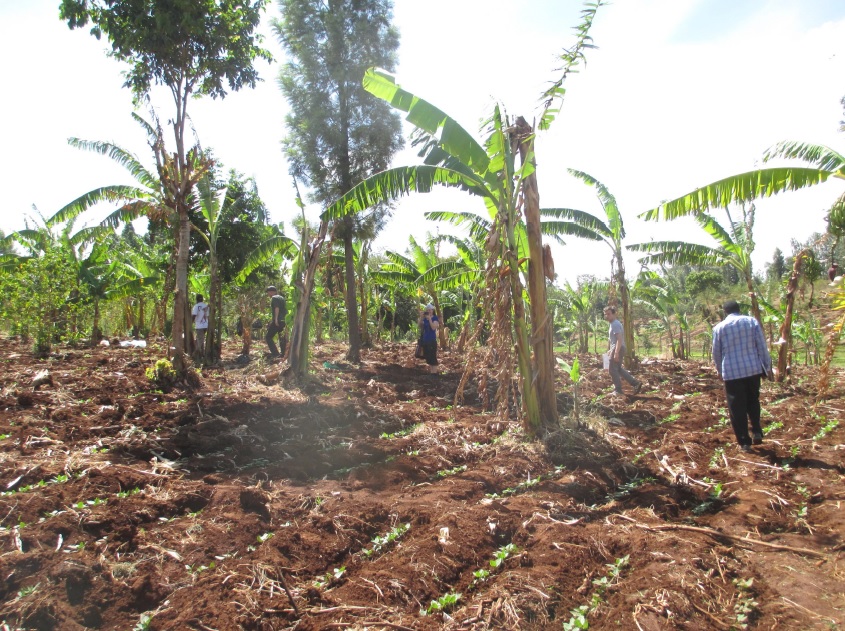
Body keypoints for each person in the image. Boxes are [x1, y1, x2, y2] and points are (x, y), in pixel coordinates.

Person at [712, 300, 773, 452]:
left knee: (736, 407)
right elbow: (761, 346)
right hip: (752, 369)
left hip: (732, 372)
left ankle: (745, 442)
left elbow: (716, 353)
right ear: (739, 309)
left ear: (725, 312)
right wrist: (767, 366)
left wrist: (719, 370)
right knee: (753, 400)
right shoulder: (751, 322)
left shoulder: (719, 328)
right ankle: (757, 431)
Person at [603, 305, 642, 397]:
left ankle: (618, 390)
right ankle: (635, 383)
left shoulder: (615, 324)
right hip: (617, 348)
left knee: (612, 370)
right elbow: (614, 340)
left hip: (618, 348)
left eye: (609, 314)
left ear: (614, 314)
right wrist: (610, 350)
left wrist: (616, 352)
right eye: (606, 314)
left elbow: (619, 339)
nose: (607, 316)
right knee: (618, 369)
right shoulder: (613, 324)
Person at [265, 286, 287, 359]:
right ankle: (283, 353)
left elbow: (276, 308)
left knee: (268, 337)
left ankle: (275, 354)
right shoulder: (281, 298)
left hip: (278, 320)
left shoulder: (274, 298)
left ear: (271, 292)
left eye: (268, 292)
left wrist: (276, 319)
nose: (268, 294)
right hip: (284, 320)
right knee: (282, 337)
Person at [418, 303, 440, 374]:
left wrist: (430, 319)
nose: (429, 311)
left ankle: (434, 373)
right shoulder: (425, 319)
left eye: (430, 310)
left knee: (433, 357)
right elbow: (420, 326)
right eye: (427, 310)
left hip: (432, 340)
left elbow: (433, 327)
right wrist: (421, 317)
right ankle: (432, 372)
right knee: (428, 357)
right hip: (425, 340)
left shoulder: (435, 318)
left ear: (433, 310)